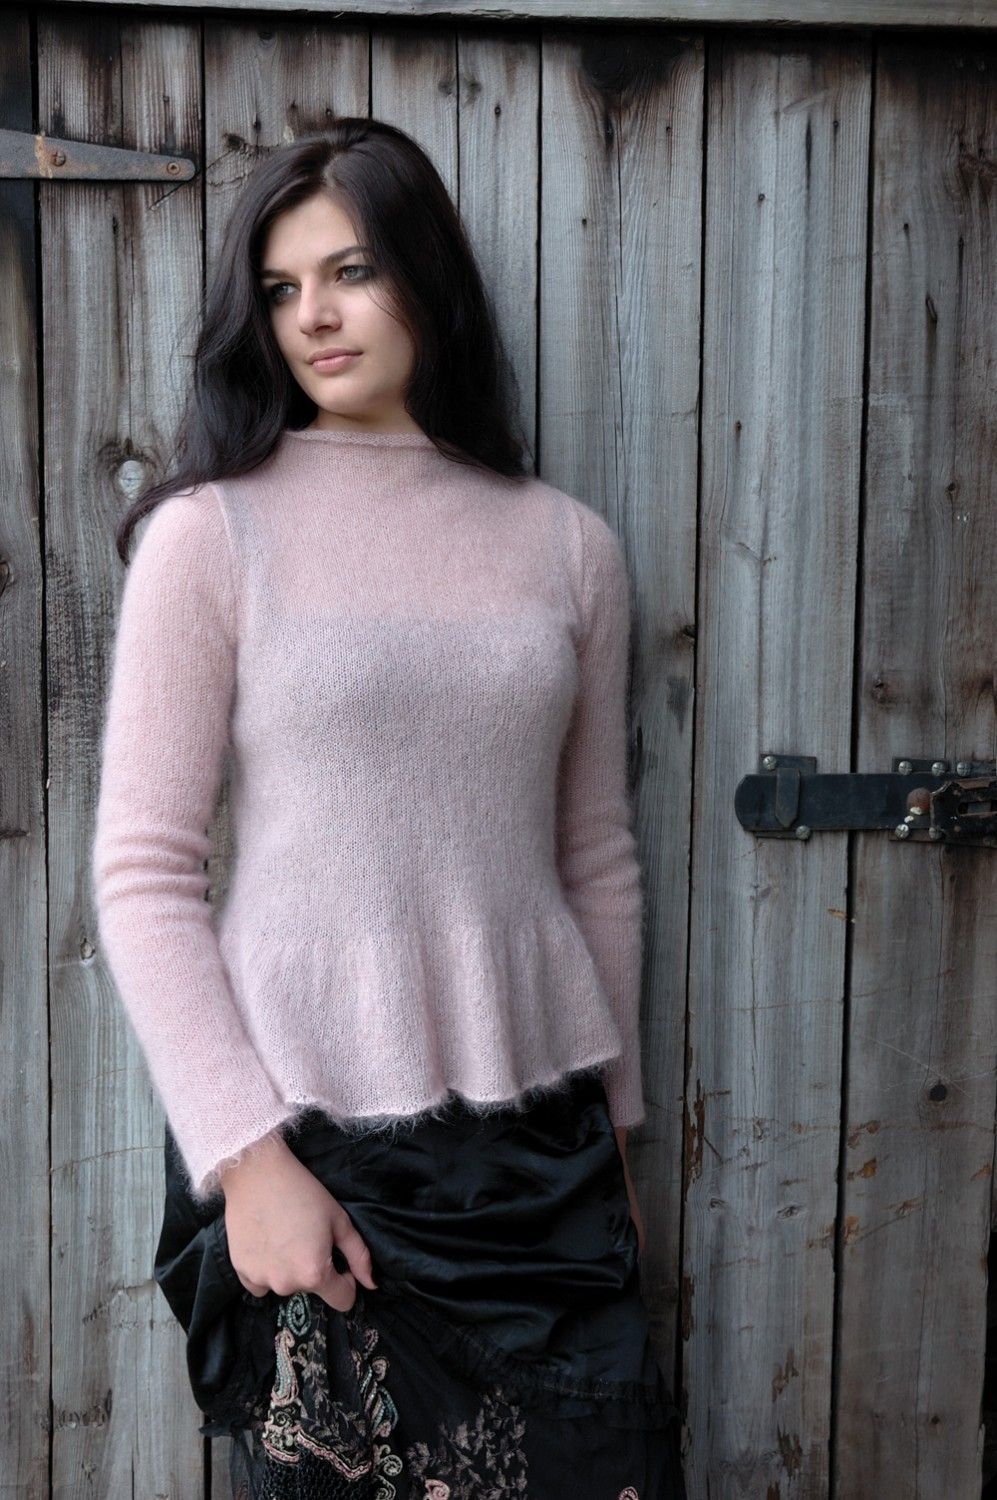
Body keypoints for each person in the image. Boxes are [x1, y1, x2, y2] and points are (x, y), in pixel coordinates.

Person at [91, 116, 687, 1499]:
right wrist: (248, 1165)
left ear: (427, 275)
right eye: (282, 287)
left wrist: (615, 1134)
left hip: (542, 1163)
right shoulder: (209, 535)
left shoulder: (566, 546)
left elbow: (594, 857)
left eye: (350, 270)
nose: (314, 315)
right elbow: (142, 873)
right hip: (312, 1158)